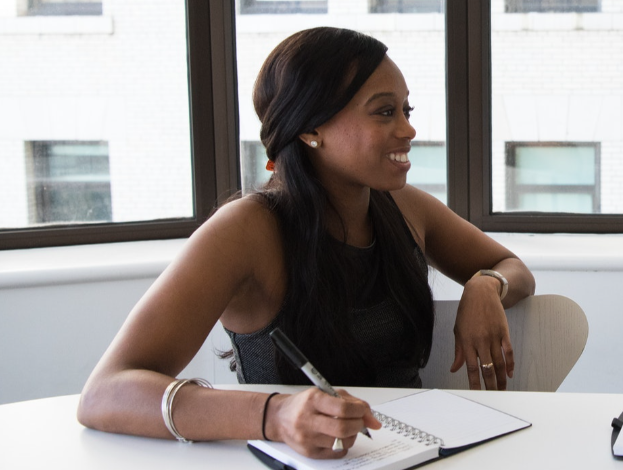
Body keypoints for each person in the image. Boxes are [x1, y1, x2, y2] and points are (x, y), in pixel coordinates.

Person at [77, 27, 535, 459]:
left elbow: (510, 265)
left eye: (405, 111)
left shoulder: (404, 206)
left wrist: (484, 284)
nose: (408, 130)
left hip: (408, 457)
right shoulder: (244, 229)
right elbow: (104, 393)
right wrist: (275, 415)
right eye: (383, 111)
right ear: (311, 128)